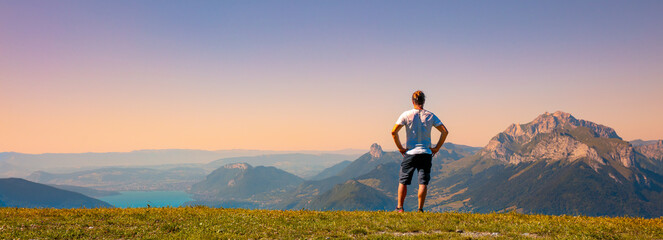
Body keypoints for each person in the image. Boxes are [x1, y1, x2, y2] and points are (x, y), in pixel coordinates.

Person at [391, 90, 449, 212]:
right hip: (426, 153)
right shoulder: (431, 116)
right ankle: (420, 209)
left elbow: (394, 132)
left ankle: (400, 208)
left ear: (413, 101)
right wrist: (437, 148)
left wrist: (400, 148)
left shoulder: (406, 115)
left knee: (403, 181)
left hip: (410, 153)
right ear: (424, 101)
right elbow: (445, 131)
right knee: (423, 182)